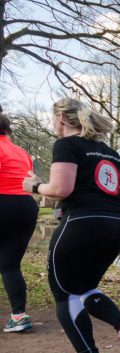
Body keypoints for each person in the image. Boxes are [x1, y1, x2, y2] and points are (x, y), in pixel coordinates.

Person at [22, 97, 120, 353]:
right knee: (85, 287)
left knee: (64, 292)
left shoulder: (66, 145)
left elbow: (61, 188)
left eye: (53, 119)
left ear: (62, 119)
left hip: (82, 222)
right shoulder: (108, 151)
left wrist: (35, 185)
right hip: (116, 222)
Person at [0, 110, 38, 333]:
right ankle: (19, 316)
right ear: (8, 130)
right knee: (9, 264)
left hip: (2, 201)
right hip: (25, 206)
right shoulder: (22, 152)